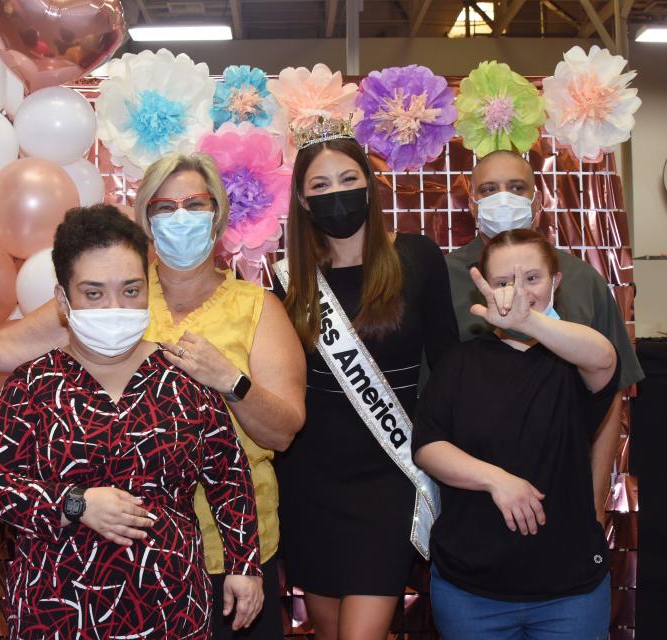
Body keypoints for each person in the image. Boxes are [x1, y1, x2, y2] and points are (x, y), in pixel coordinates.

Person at [0, 153, 306, 638]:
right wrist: (75, 505)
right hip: (59, 607)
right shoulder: (34, 384)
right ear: (63, 301)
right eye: (93, 294)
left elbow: (230, 475)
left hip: (170, 603)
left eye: (130, 291)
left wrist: (243, 561)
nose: (115, 306)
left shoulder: (181, 382)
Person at [273, 117, 458, 640]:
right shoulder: (288, 280)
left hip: (389, 476)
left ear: (371, 186)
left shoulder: (417, 257)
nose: (338, 195)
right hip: (310, 480)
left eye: (349, 180)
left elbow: (448, 366)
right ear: (304, 202)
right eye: (321, 186)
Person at [413, 229, 620, 639]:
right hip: (471, 592)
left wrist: (532, 322)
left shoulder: (573, 362)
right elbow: (428, 446)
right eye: (504, 281)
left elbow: (605, 357)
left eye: (532, 279)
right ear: (487, 288)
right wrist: (497, 480)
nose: (517, 292)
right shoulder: (458, 363)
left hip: (570, 594)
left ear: (555, 283)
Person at [445, 149, 644, 522]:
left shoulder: (583, 280)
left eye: (516, 187)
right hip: (467, 495)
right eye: (489, 189)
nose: (503, 198)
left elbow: (611, 395)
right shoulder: (442, 279)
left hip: (562, 489)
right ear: (471, 205)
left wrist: (594, 502)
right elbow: (428, 401)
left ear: (537, 201)